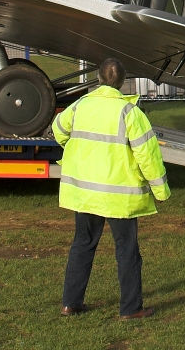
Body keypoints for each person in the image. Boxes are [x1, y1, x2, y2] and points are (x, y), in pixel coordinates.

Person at [52, 58, 170, 320]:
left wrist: (75, 150)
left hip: (85, 192)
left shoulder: (80, 106)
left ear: (99, 79)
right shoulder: (130, 113)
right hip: (119, 195)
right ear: (122, 83)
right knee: (127, 250)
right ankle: (130, 308)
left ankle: (70, 303)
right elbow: (148, 155)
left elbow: (58, 130)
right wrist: (160, 190)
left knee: (82, 245)